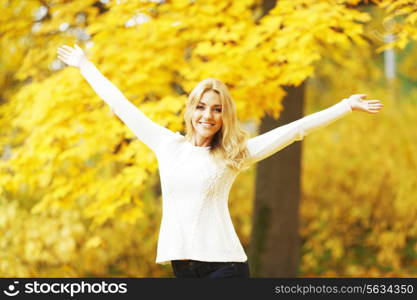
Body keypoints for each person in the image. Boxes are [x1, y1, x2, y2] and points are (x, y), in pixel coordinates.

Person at [57, 44, 384, 278]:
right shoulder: (166, 145)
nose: (207, 115)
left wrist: (344, 106)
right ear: (190, 111)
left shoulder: (232, 155)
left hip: (225, 267)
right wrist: (85, 64)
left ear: (224, 116)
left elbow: (294, 130)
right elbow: (121, 102)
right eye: (201, 106)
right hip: (183, 266)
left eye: (216, 109)